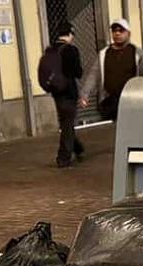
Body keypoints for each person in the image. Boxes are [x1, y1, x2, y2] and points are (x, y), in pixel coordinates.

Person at [79, 19, 143, 121]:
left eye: (121, 30)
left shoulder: (137, 53)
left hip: (131, 101)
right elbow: (94, 75)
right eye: (114, 30)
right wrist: (85, 94)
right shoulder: (104, 53)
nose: (117, 33)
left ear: (128, 33)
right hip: (109, 102)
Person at [38, 22, 84, 168]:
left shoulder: (50, 50)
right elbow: (78, 72)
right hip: (69, 92)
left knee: (65, 122)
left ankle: (77, 148)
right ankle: (63, 158)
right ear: (70, 34)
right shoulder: (71, 50)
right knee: (67, 124)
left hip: (56, 92)